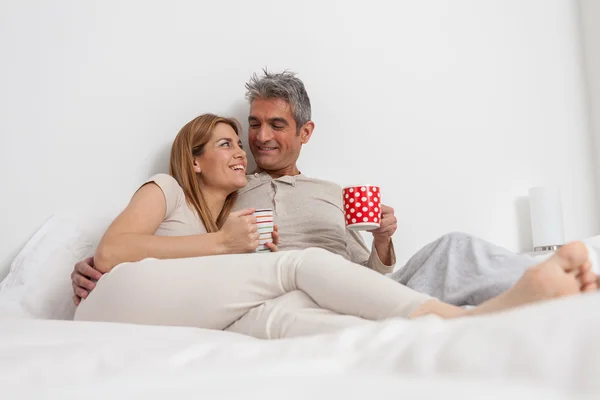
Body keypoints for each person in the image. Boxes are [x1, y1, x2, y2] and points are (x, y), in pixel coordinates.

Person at [72, 111, 598, 339]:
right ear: (193, 160)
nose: (247, 149)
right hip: (121, 299)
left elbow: (364, 272)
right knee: (296, 268)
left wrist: (384, 240)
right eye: (232, 141)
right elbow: (113, 252)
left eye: (247, 139)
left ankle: (451, 333)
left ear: (304, 132)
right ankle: (456, 322)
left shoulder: (235, 211)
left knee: (285, 318)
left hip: (215, 309)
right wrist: (223, 242)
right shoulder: (169, 191)